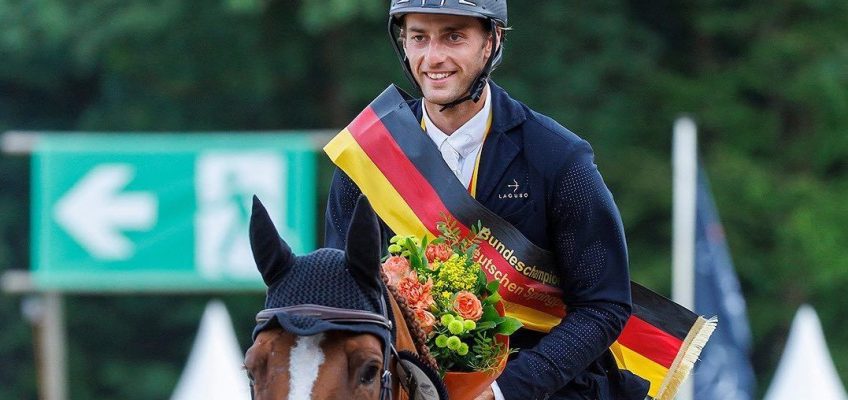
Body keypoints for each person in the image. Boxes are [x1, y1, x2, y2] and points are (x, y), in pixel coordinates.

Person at [325, 1, 650, 399]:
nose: (433, 58)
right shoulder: (367, 156)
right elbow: (343, 296)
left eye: (454, 37)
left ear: (491, 42)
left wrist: (502, 392)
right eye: (419, 38)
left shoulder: (560, 159)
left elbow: (604, 306)